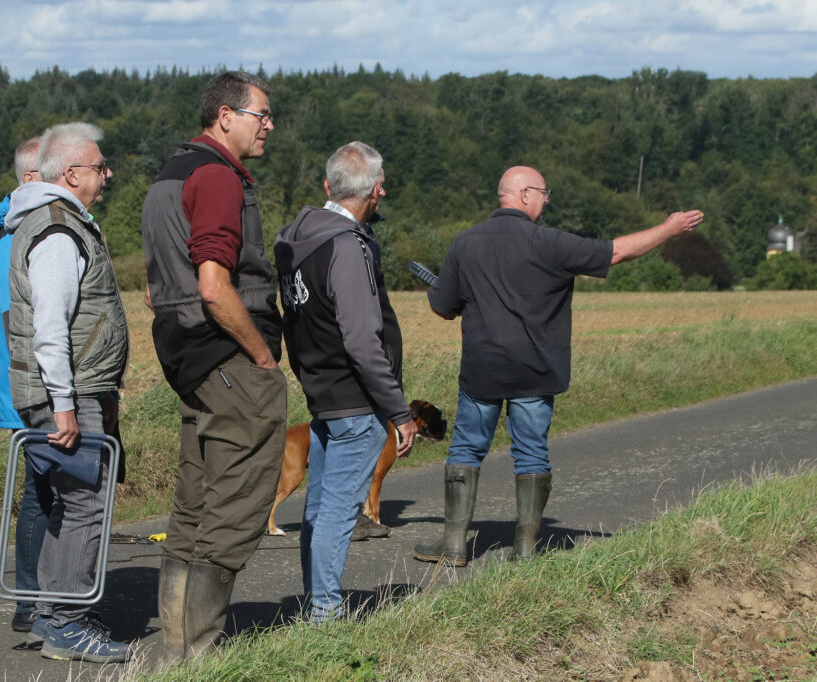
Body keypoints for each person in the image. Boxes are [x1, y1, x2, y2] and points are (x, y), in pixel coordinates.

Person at [413, 166, 704, 566]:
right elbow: (617, 251)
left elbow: (442, 308)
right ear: (526, 194)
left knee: (466, 449)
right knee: (531, 454)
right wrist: (668, 229)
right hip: (535, 371)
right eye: (545, 193)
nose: (548, 200)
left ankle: (454, 545)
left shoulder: (465, 243)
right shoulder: (550, 243)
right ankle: (525, 550)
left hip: (482, 371)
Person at [141, 71, 286, 663]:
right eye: (262, 115)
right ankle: (199, 657)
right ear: (225, 115)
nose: (269, 126)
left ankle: (175, 659)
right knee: (233, 510)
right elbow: (212, 284)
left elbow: (156, 289)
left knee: (195, 509)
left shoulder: (167, 176)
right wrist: (261, 353)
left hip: (187, 359)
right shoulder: (219, 176)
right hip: (229, 357)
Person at [274, 141, 418, 623]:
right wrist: (399, 412)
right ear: (377, 189)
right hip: (354, 399)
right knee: (337, 513)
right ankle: (324, 618)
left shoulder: (294, 240)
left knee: (319, 509)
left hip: (320, 391)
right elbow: (362, 338)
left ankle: (316, 605)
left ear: (327, 186)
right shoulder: (347, 246)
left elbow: (295, 321)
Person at [4, 122, 131, 663]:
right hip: (70, 393)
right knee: (84, 506)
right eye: (100, 166)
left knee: (73, 504)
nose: (107, 175)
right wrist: (62, 405)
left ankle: (59, 613)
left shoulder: (60, 223)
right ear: (72, 173)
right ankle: (66, 623)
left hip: (73, 390)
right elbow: (49, 328)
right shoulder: (58, 231)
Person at [0, 137, 53, 636]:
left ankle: (44, 593)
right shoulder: (13, 238)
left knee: (46, 487)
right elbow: (15, 322)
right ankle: (30, 599)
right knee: (40, 490)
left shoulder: (28, 228)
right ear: (30, 181)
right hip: (30, 386)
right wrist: (47, 385)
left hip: (34, 382)